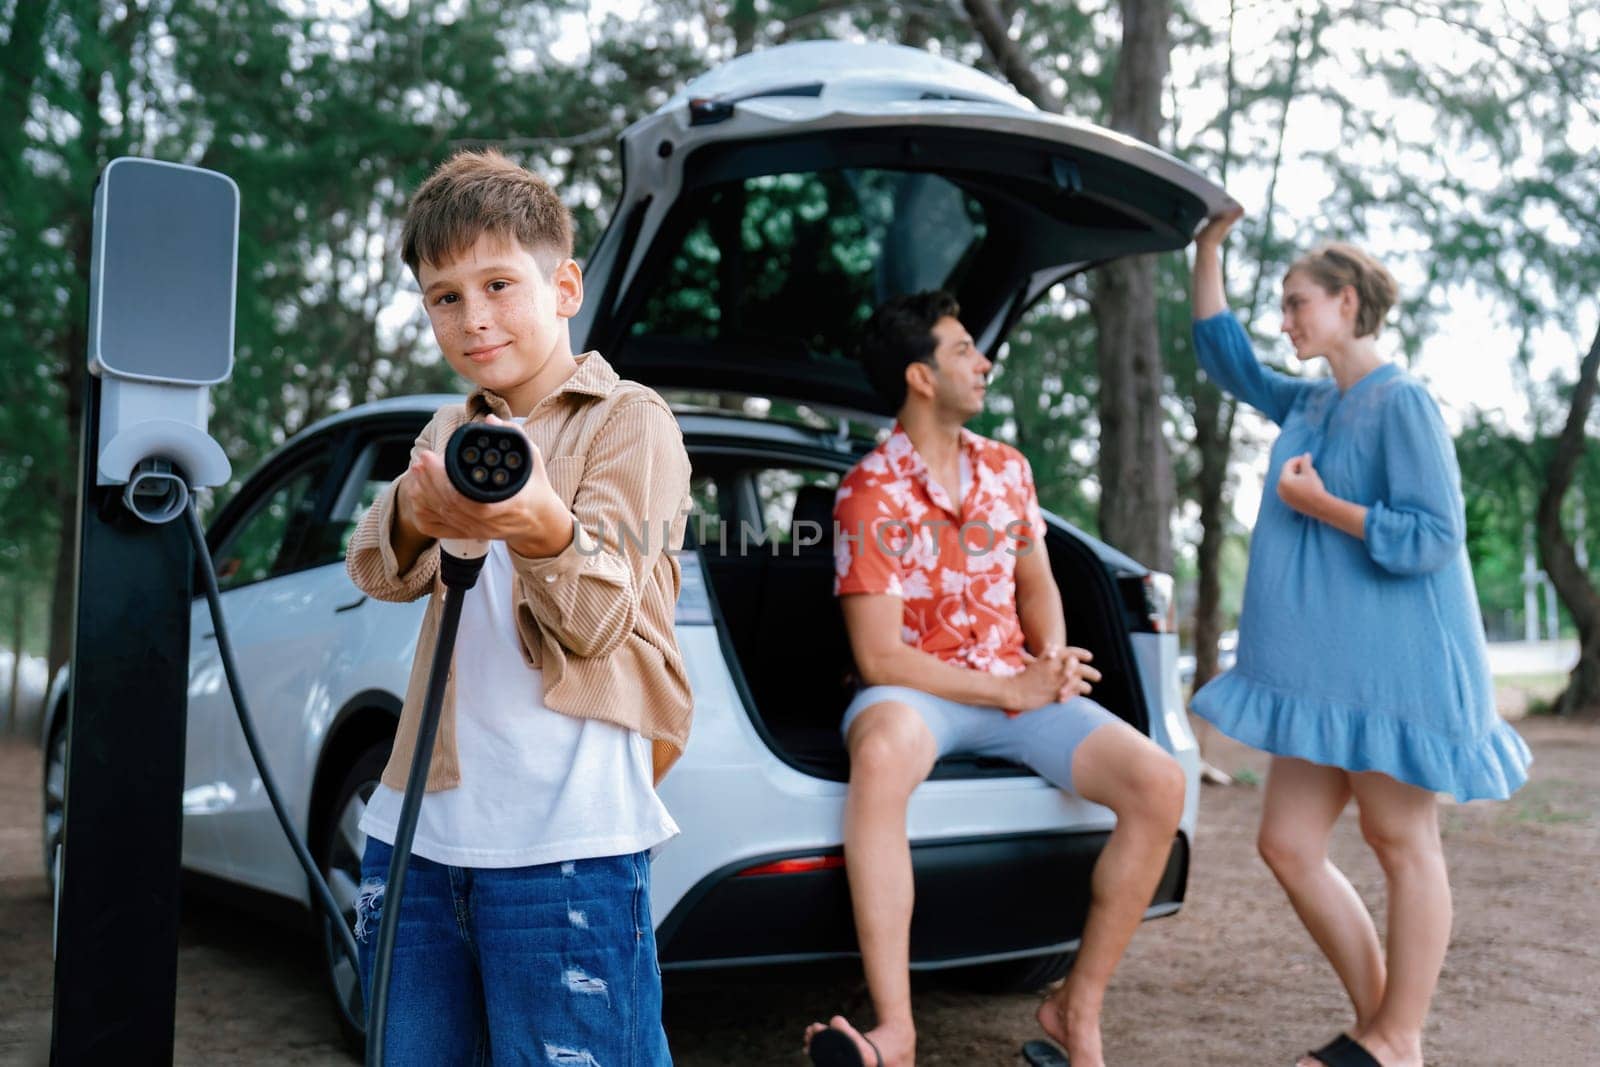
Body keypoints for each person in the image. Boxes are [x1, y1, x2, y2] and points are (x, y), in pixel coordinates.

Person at [344, 149, 691, 1065]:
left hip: (566, 837)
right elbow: (378, 570)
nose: (474, 316)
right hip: (415, 832)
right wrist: (413, 514)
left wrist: (542, 526)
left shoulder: (628, 419)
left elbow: (603, 620)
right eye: (444, 296)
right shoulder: (452, 429)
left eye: (498, 282)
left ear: (565, 283)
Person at [801, 291, 1188, 1067]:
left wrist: (1047, 659)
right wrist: (1010, 691)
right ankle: (896, 1031)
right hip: (917, 691)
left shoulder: (1009, 470)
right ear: (920, 376)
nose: (984, 363)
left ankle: (1076, 1004)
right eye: (964, 350)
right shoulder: (868, 492)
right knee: (879, 753)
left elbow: (1037, 581)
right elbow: (879, 657)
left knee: (1160, 782)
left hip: (1014, 684)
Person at [1188, 206, 1531, 1067]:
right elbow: (1224, 355)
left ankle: (1394, 1039)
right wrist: (1208, 247)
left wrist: (1320, 506)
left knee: (1400, 841)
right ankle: (1384, 1026)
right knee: (1288, 843)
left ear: (1346, 303)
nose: (1285, 318)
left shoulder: (1402, 401)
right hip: (1319, 676)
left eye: (1298, 302)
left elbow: (1433, 534)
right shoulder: (1309, 400)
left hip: (1394, 669)